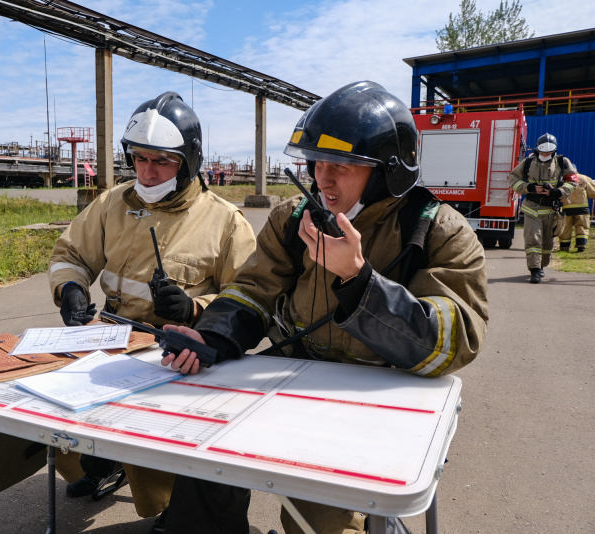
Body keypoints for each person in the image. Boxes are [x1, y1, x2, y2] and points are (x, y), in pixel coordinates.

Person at [155, 81, 489, 534]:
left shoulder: (437, 232)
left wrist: (360, 282)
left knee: (322, 515)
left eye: (343, 166)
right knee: (202, 460)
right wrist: (213, 335)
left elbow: (453, 341)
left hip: (379, 394)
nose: (322, 179)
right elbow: (253, 289)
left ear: (388, 171)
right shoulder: (295, 218)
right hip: (296, 373)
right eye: (316, 163)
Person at [47, 91, 256, 530]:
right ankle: (97, 460)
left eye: (162, 161)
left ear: (189, 161)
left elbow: (252, 296)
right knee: (50, 405)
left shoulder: (224, 221)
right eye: (139, 158)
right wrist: (70, 287)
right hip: (110, 334)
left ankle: (172, 500)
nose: (147, 171)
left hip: (176, 350)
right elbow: (72, 253)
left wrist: (195, 309)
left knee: (151, 432)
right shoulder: (112, 203)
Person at [508, 133, 579, 283]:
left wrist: (557, 192)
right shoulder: (528, 162)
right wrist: (529, 187)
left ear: (553, 151)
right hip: (531, 209)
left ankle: (541, 267)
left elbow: (572, 181)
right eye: (542, 152)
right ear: (536, 150)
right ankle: (534, 269)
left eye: (548, 152)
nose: (545, 154)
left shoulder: (562, 162)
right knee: (533, 239)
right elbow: (514, 178)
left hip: (551, 210)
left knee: (547, 243)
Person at [559, 173, 595, 252]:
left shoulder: (561, 178)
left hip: (566, 208)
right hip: (582, 208)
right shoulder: (583, 178)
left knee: (565, 229)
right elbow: (593, 192)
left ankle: (564, 247)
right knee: (582, 226)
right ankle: (581, 246)